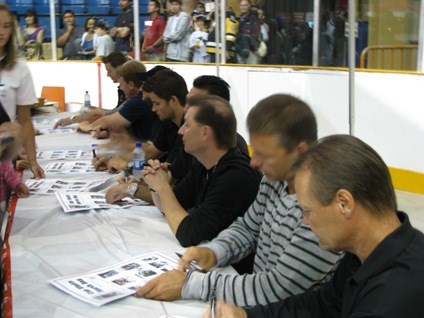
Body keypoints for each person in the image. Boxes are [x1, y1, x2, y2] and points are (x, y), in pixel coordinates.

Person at [134, 94, 341, 306]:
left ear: (300, 150)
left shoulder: (320, 209)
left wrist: (191, 285)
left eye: (264, 154)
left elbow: (278, 288)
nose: (254, 162)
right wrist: (213, 252)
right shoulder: (273, 181)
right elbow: (248, 229)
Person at [205, 134, 424, 318]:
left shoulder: (391, 299)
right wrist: (246, 315)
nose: (305, 221)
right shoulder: (365, 252)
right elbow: (322, 303)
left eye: (308, 211)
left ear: (344, 203)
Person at [140, 95, 262, 248]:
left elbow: (188, 235)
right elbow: (169, 209)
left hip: (235, 268)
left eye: (187, 125)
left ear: (205, 133)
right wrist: (156, 182)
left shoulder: (236, 175)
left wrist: (162, 188)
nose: (180, 131)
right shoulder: (204, 164)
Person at [105, 68, 190, 199]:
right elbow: (153, 154)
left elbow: (175, 192)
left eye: (156, 103)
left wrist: (132, 186)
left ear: (173, 100)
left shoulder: (190, 134)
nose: (153, 109)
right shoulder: (168, 121)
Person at [0, 4, 44, 179]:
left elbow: (25, 120)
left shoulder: (20, 68)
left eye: (6, 26)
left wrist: (32, 161)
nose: (1, 31)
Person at [85, 60, 158, 145]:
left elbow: (108, 121)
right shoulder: (135, 100)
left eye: (121, 85)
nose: (121, 88)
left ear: (131, 85)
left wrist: (86, 127)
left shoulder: (139, 101)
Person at [54, 52, 128, 129]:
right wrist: (98, 111)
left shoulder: (129, 92)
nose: (107, 75)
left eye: (109, 71)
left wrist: (73, 119)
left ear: (120, 69)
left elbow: (114, 114)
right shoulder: (122, 89)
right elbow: (116, 112)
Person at [187, 75, 249, 158]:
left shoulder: (234, 147)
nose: (186, 107)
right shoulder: (193, 139)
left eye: (194, 103)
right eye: (187, 101)